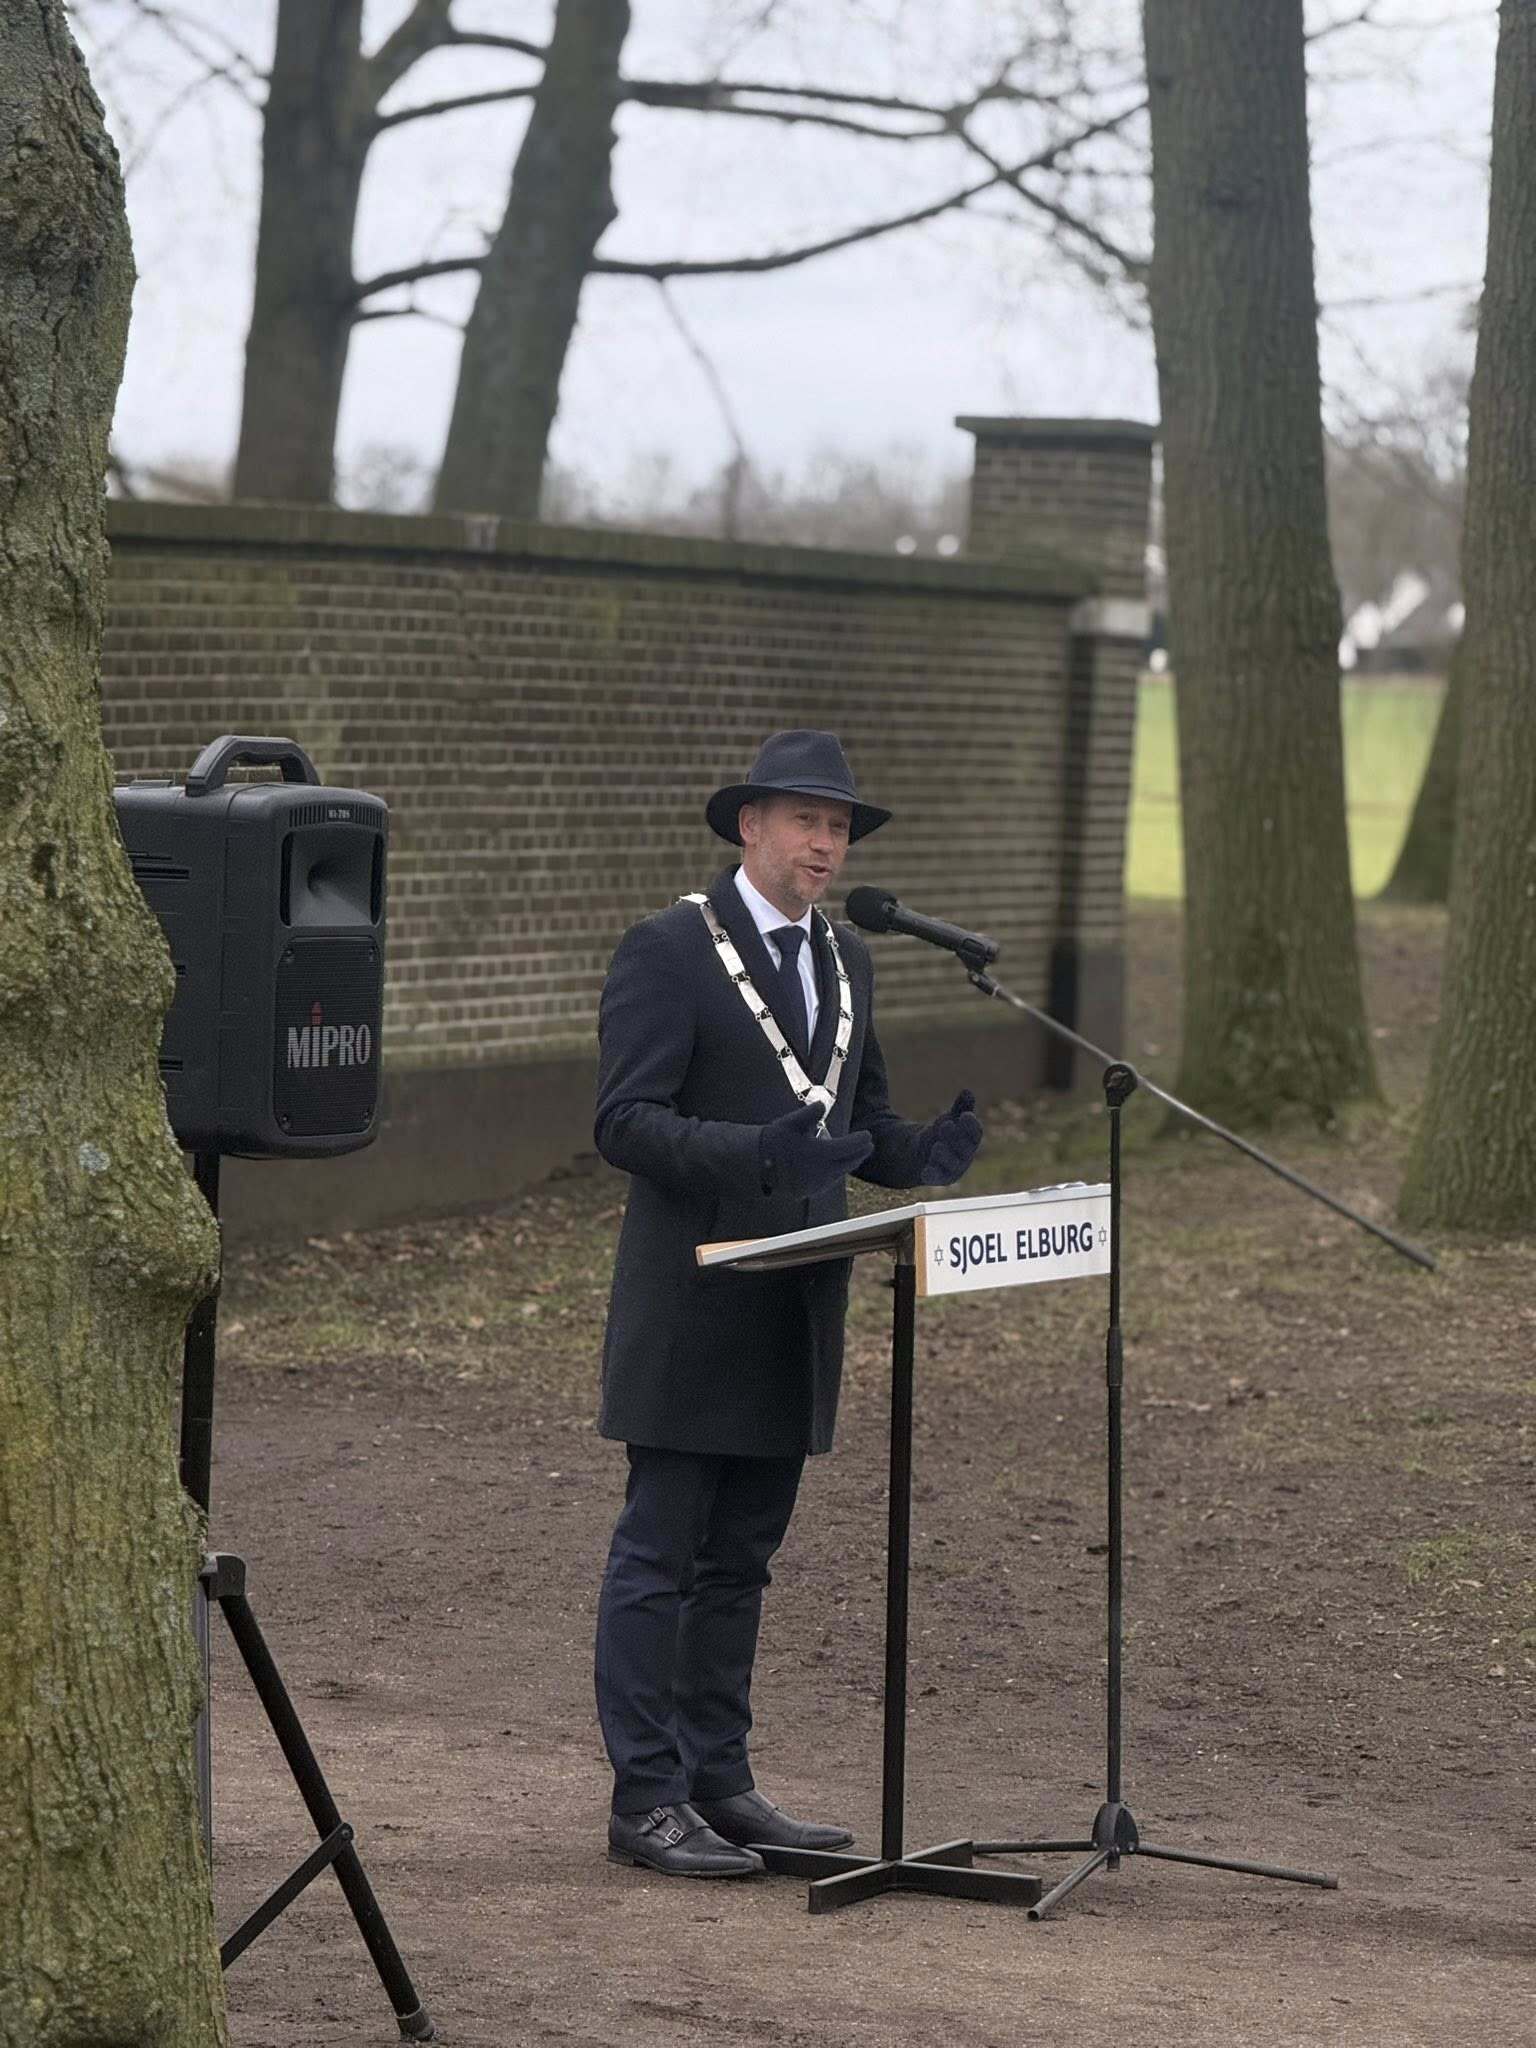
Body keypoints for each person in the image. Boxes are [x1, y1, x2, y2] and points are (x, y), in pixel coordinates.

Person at [592, 730, 984, 1878]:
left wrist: (921, 1152)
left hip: (797, 1306)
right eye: (808, 820)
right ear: (749, 825)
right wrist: (745, 1151)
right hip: (693, 1299)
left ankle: (720, 1778)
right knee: (661, 1553)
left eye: (841, 826)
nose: (827, 843)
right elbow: (623, 1121)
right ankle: (646, 1797)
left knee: (744, 1559)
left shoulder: (849, 958)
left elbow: (853, 1117)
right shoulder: (668, 949)